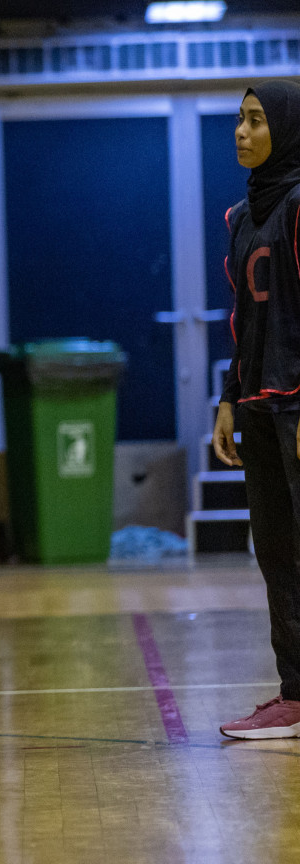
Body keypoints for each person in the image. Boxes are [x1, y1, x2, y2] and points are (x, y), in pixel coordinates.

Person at [215, 80, 300, 740]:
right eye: (240, 120)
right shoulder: (244, 217)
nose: (242, 131)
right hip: (256, 403)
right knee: (275, 548)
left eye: (255, 120)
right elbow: (243, 318)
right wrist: (226, 396)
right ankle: (295, 695)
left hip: (297, 404)